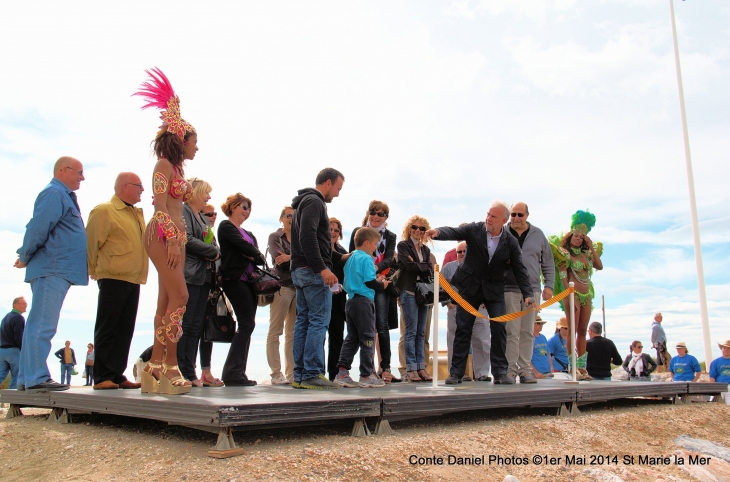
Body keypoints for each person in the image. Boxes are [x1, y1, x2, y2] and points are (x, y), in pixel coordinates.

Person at [134, 67, 198, 395]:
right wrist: (173, 239)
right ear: (181, 140)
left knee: (166, 300)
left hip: (174, 237)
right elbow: (160, 205)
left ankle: (154, 367)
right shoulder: (162, 166)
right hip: (163, 235)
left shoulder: (173, 168)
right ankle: (171, 366)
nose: (196, 148)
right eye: (194, 142)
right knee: (181, 296)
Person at [426, 200, 533, 385]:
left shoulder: (511, 242)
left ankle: (500, 373)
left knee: (499, 329)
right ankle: (456, 373)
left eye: (493, 216)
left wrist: (528, 294)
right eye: (488, 214)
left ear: (503, 221)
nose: (488, 219)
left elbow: (520, 269)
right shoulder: (475, 229)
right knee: (463, 328)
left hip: (494, 291)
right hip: (469, 288)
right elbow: (454, 231)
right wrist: (437, 232)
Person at [15, 156, 88, 392]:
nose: (82, 177)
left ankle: (26, 379)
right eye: (79, 172)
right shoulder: (55, 194)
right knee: (43, 325)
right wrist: (25, 255)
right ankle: (36, 377)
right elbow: (38, 227)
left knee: (38, 324)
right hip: (52, 268)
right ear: (63, 170)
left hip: (55, 268)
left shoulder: (59, 195)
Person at [86, 172, 148, 390]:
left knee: (125, 329)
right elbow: (91, 243)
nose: (142, 189)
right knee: (108, 326)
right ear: (125, 186)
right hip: (112, 276)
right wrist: (93, 270)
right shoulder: (105, 211)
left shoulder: (136, 214)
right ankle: (102, 375)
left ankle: (117, 374)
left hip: (133, 278)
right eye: (139, 186)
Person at [290, 168, 345, 390]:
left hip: (300, 270)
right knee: (318, 321)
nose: (338, 194)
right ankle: (312, 372)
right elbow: (308, 236)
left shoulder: (303, 202)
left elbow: (309, 238)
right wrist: (322, 269)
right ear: (328, 182)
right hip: (312, 272)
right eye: (338, 188)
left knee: (303, 320)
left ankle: (300, 375)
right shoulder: (315, 201)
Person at [348, 201, 399, 383]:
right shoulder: (358, 232)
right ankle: (367, 371)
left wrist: (374, 270)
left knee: (382, 325)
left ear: (386, 217)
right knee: (365, 328)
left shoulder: (391, 236)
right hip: (363, 286)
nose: (376, 216)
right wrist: (368, 274)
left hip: (381, 283)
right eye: (373, 212)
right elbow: (352, 256)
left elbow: (389, 258)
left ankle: (385, 368)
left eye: (381, 214)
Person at [504, 202, 554, 383]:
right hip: (508, 288)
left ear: (527, 216)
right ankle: (510, 370)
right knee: (511, 331)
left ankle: (525, 370)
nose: (516, 218)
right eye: (513, 214)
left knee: (527, 332)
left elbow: (548, 261)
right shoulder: (502, 233)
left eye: (520, 215)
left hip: (532, 290)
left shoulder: (538, 234)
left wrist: (549, 285)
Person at [218, 193, 265, 386]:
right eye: (243, 207)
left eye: (248, 208)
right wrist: (251, 253)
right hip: (235, 280)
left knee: (248, 324)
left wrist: (251, 254)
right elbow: (243, 247)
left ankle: (238, 372)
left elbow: (260, 257)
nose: (246, 211)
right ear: (233, 206)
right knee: (247, 324)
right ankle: (232, 373)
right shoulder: (226, 226)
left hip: (250, 282)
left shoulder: (250, 234)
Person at [335, 228, 390, 388]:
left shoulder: (350, 258)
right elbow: (369, 283)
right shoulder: (366, 259)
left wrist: (374, 279)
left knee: (352, 337)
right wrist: (382, 284)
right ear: (367, 243)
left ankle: (342, 373)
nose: (375, 248)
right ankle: (366, 375)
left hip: (350, 302)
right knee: (367, 337)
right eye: (374, 244)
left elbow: (360, 278)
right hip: (364, 302)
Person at [177, 178, 219, 387]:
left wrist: (212, 250)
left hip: (203, 277)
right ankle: (182, 370)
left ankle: (189, 371)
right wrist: (213, 251)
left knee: (195, 326)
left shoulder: (202, 218)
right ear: (195, 192)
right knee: (184, 324)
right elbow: (186, 238)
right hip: (189, 275)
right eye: (206, 193)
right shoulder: (183, 212)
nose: (208, 198)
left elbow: (210, 241)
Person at [549, 210, 603, 358]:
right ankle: (573, 367)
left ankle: (581, 366)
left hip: (586, 295)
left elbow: (599, 266)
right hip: (572, 295)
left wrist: (591, 247)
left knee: (583, 331)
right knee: (572, 330)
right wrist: (569, 295)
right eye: (576, 235)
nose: (578, 238)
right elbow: (562, 277)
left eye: (581, 237)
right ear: (570, 236)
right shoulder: (564, 254)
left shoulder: (586, 255)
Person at [442, 241, 491, 381]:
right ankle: (456, 373)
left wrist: (487, 301)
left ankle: (482, 373)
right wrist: (447, 303)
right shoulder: (448, 268)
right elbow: (440, 286)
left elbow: (491, 283)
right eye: (459, 252)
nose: (462, 254)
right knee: (455, 341)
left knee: (482, 340)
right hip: (456, 309)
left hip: (479, 309)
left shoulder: (483, 265)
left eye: (465, 251)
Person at [395, 215, 434, 383]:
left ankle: (421, 367)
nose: (418, 230)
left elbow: (430, 269)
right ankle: (410, 368)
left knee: (421, 332)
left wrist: (419, 266)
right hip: (409, 291)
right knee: (410, 331)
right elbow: (408, 266)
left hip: (424, 293)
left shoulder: (426, 250)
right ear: (409, 228)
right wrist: (421, 266)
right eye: (415, 227)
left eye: (422, 228)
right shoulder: (403, 245)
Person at [267, 206, 297, 385]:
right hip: (282, 287)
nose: (291, 219)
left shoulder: (300, 240)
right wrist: (295, 259)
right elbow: (279, 260)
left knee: (292, 333)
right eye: (288, 216)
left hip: (298, 288)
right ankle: (276, 374)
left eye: (295, 216)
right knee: (275, 331)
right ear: (281, 218)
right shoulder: (275, 237)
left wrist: (290, 257)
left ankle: (291, 374)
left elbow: (306, 261)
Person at [198, 203, 223, 387]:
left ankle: (205, 371)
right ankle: (188, 369)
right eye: (209, 213)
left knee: (207, 333)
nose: (214, 216)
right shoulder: (202, 233)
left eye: (215, 213)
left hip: (210, 289)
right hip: (199, 287)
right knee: (194, 330)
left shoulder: (211, 236)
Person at [326, 217, 348, 381]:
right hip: (322, 296)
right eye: (330, 229)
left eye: (336, 230)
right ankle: (316, 372)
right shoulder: (321, 247)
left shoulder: (341, 249)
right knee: (319, 336)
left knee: (337, 336)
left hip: (340, 298)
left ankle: (334, 374)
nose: (333, 232)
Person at [0, 297, 27, 389]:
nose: (26, 305)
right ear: (15, 305)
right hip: (13, 351)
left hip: (2, 351)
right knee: (17, 376)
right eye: (23, 303)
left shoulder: (5, 317)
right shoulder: (18, 318)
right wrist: (24, 351)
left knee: (0, 375)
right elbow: (19, 337)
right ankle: (14, 402)